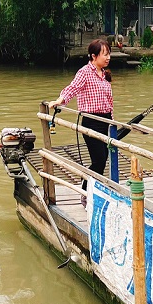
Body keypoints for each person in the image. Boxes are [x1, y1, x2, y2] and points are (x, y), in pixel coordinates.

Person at [49, 39, 113, 206]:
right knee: (98, 160)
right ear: (94, 56)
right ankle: (86, 193)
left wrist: (112, 121)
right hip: (91, 121)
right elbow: (73, 88)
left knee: (103, 159)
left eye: (108, 54)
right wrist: (60, 100)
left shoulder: (104, 74)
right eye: (104, 54)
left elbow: (109, 101)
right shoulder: (85, 72)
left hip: (105, 121)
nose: (108, 57)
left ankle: (92, 191)